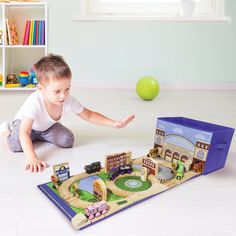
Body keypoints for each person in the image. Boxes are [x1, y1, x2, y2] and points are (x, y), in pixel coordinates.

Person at [0, 54, 135, 173]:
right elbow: (24, 133)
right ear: (41, 89)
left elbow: (89, 115)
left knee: (67, 140)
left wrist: (114, 123)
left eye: (67, 89)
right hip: (26, 126)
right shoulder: (34, 102)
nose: (63, 96)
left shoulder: (67, 100)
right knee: (16, 145)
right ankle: (4, 130)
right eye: (57, 91)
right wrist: (33, 158)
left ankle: (38, 137)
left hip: (47, 127)